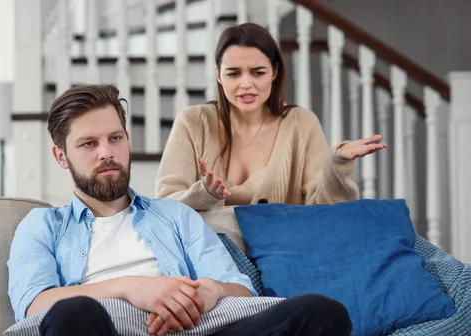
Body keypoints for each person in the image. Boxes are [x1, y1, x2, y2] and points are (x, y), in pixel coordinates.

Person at [6, 84, 352, 336]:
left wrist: (210, 291)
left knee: (322, 314)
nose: (106, 153)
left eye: (115, 138)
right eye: (88, 144)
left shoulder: (174, 215)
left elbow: (241, 290)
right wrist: (132, 288)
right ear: (61, 156)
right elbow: (35, 306)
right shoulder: (42, 224)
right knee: (71, 315)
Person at [156, 23, 386, 210]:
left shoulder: (301, 123)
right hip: (210, 255)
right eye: (233, 73)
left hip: (283, 255)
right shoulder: (193, 121)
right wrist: (202, 195)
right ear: (218, 75)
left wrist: (337, 165)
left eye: (258, 72)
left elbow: (324, 209)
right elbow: (165, 204)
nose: (246, 84)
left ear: (274, 72)